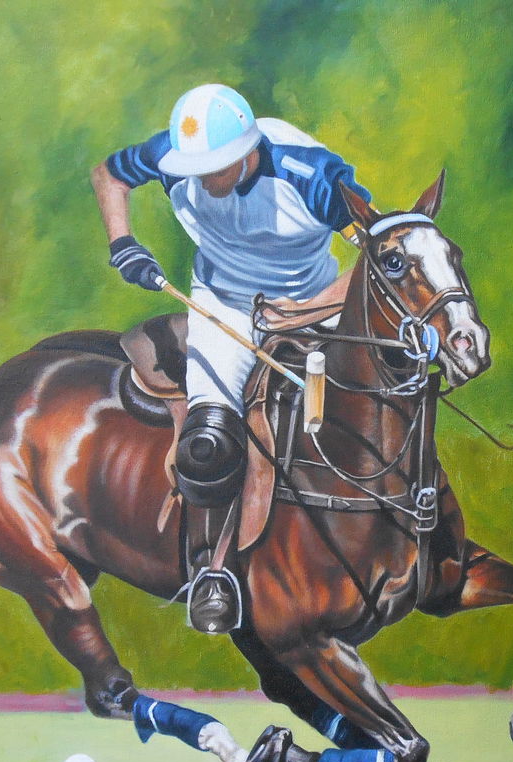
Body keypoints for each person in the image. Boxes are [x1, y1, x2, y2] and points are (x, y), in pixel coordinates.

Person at [91, 83, 374, 635]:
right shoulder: (175, 157)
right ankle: (214, 573)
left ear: (247, 151)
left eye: (213, 168)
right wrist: (122, 241)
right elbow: (108, 175)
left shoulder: (310, 174)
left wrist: (301, 311)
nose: (200, 180)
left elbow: (383, 255)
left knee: (368, 415)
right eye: (193, 168)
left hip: (317, 303)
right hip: (225, 306)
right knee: (208, 442)